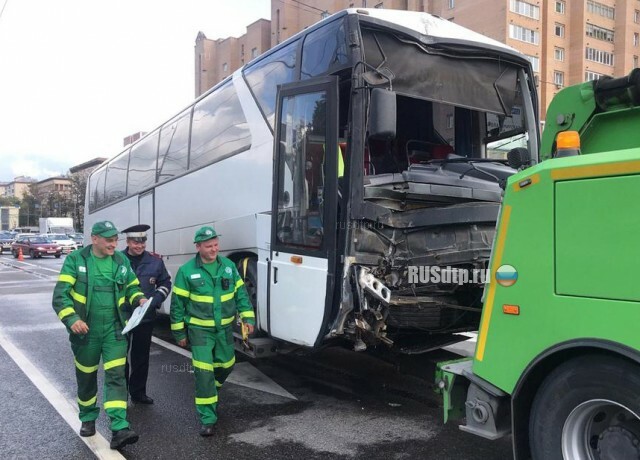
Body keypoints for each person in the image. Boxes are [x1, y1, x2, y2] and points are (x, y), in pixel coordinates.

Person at [52, 221, 146, 450]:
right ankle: (87, 416)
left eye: (115, 239)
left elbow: (132, 286)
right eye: (108, 240)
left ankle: (119, 427)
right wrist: (73, 320)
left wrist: (139, 298)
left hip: (114, 329)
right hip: (86, 331)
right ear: (95, 239)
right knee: (86, 376)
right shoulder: (76, 260)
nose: (114, 244)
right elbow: (60, 296)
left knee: (116, 375)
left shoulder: (121, 261)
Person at [170, 226, 255, 436]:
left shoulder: (228, 266)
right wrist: (180, 333)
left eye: (216, 245)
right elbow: (177, 304)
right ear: (198, 247)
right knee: (204, 372)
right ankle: (207, 418)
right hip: (200, 331)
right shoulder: (187, 271)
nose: (214, 249)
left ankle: (211, 391)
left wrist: (247, 316)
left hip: (224, 329)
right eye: (208, 246)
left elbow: (240, 294)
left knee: (227, 364)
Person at [121, 224, 172, 405]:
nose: (139, 246)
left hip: (145, 317)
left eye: (142, 242)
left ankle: (138, 393)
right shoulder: (116, 260)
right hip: (122, 317)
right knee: (120, 358)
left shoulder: (155, 261)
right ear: (128, 241)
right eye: (135, 242)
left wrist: (157, 299)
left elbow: (166, 282)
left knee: (141, 357)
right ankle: (120, 395)